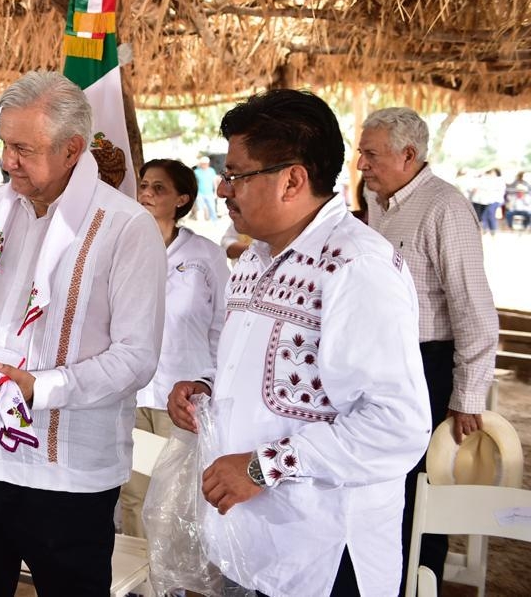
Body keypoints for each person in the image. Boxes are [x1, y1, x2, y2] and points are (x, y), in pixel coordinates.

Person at [168, 90, 431, 596]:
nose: (222, 188)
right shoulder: (254, 259)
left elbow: (397, 424)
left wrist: (263, 465)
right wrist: (204, 387)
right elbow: (262, 372)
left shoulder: (357, 267)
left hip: (322, 552)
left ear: (292, 179)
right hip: (250, 539)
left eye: (237, 174)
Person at [0, 71, 166, 596]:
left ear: (72, 149)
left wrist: (38, 387)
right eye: (4, 144)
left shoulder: (125, 227)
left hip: (67, 474)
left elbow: (136, 357)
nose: (7, 161)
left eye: (23, 149)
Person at [359, 106, 497, 589]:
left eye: (371, 155)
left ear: (409, 155)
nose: (361, 165)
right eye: (361, 153)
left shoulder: (444, 207)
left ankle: (416, 583)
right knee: (379, 483)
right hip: (380, 364)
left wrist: (467, 397)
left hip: (428, 365)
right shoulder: (380, 202)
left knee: (420, 487)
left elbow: (474, 312)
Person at [120, 158, 228, 538]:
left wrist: (211, 380)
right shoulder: (125, 248)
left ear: (182, 199)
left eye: (159, 188)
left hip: (182, 396)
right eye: (144, 185)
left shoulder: (205, 256)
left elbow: (222, 325)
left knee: (174, 499)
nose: (147, 193)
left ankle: (171, 585)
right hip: (132, 392)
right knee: (132, 495)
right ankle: (138, 583)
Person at [474, 167, 506, 235]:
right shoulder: (489, 180)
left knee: (490, 214)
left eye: (493, 173)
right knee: (485, 215)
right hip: (488, 200)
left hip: (495, 200)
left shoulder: (499, 180)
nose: (491, 174)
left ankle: (493, 230)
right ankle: (485, 229)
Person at [193, 155, 219, 222]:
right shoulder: (196, 172)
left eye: (206, 163)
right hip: (200, 193)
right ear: (201, 164)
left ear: (208, 164)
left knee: (212, 208)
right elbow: (194, 183)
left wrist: (215, 192)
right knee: (200, 209)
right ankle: (202, 223)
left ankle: (214, 222)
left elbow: (214, 182)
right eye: (203, 163)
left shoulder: (211, 171)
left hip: (209, 193)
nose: (204, 165)